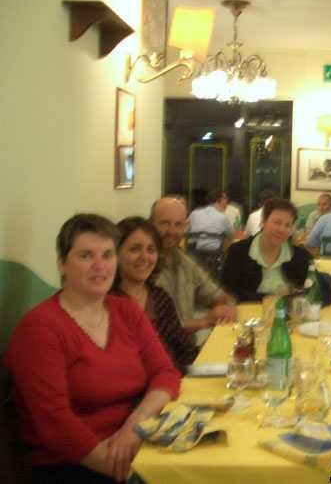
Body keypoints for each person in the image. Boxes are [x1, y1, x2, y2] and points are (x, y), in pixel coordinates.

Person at [5, 214, 180, 483]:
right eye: (86, 256)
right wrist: (126, 471)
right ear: (62, 264)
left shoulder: (126, 311)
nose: (100, 266)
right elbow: (54, 423)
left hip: (135, 443)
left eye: (107, 255)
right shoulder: (39, 328)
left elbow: (166, 374)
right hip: (72, 464)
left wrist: (134, 427)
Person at [112, 216, 199, 374]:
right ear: (116, 253)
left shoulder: (159, 297)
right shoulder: (107, 303)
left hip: (172, 379)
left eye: (151, 250)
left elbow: (184, 350)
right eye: (135, 249)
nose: (144, 257)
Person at [150, 196, 237, 331]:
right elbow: (154, 327)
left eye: (178, 224)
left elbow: (218, 295)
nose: (172, 231)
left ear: (186, 227)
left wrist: (226, 306)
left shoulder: (184, 261)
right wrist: (204, 321)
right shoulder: (143, 266)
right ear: (150, 224)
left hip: (185, 343)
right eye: (165, 223)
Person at [220, 198, 312, 301]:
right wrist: (271, 298)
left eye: (288, 225)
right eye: (277, 222)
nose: (281, 229)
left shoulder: (300, 257)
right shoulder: (238, 252)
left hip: (287, 310)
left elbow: (312, 292)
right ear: (263, 222)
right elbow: (228, 292)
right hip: (248, 309)